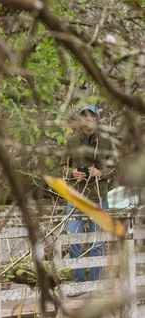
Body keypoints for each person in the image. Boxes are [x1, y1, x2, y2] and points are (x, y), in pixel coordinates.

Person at [63, 105, 116, 296]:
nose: (87, 120)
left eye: (91, 116)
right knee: (72, 240)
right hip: (76, 197)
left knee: (98, 243)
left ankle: (95, 286)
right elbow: (62, 167)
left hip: (98, 199)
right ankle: (79, 285)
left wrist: (101, 173)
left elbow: (115, 169)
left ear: (97, 120)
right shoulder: (71, 142)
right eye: (83, 116)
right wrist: (72, 172)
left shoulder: (107, 143)